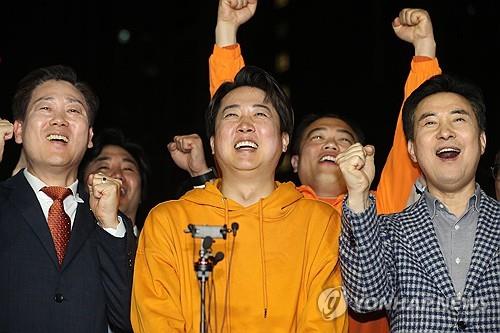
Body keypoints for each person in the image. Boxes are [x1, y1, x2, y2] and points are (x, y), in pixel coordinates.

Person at [171, 3, 442, 332]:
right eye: (317, 137)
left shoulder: (379, 208)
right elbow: (239, 125)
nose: (330, 144)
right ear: (291, 155)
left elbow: (410, 139)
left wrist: (424, 51)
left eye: (343, 139)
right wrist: (226, 34)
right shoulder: (274, 208)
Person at [131, 65, 347, 332]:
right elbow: (156, 319)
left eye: (260, 114)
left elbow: (327, 317)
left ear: (283, 140)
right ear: (212, 143)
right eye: (231, 115)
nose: (245, 126)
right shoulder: (168, 222)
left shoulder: (321, 223)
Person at [338, 73, 500, 331]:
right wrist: (358, 195)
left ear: (481, 141)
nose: (445, 132)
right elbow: (364, 298)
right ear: (412, 150)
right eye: (430, 123)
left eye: (458, 119)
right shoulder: (387, 231)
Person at [0, 64, 135, 333]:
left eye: (73, 110)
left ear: (89, 137)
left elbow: (128, 321)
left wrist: (109, 226)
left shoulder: (112, 222)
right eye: (45, 108)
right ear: (17, 130)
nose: (60, 120)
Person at [80, 127, 151, 234]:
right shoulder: (66, 245)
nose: (117, 175)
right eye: (104, 167)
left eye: (128, 168)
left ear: (141, 192)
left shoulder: (159, 246)